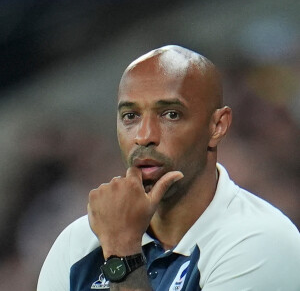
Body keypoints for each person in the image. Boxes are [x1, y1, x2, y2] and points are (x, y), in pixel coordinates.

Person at [37, 45, 300, 291]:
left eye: (171, 114)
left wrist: (122, 252)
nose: (144, 135)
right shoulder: (77, 244)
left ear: (217, 126)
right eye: (131, 116)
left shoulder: (260, 241)